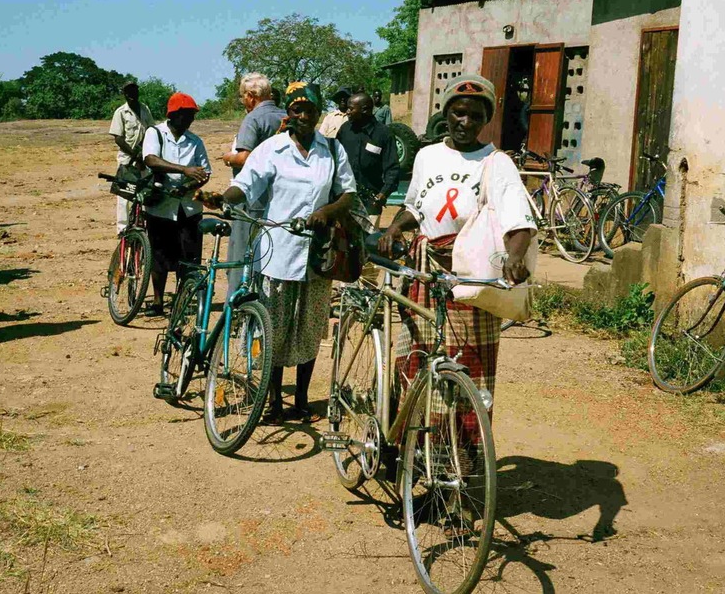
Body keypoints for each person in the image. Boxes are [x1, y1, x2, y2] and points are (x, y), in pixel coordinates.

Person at [379, 74, 535, 520]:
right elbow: (414, 206)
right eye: (457, 112)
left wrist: (515, 256)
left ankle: (459, 487)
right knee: (414, 372)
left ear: (487, 120)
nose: (465, 120)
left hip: (469, 279)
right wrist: (394, 228)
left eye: (475, 115)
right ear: (446, 114)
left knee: (467, 387)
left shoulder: (497, 163)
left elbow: (518, 217)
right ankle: (418, 467)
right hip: (423, 273)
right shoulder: (428, 155)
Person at [221, 81, 357, 423]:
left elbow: (348, 193)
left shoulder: (332, 149)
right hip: (277, 251)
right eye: (297, 110)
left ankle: (301, 401)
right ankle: (274, 404)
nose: (303, 116)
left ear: (317, 113)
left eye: (310, 110)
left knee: (309, 330)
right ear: (290, 113)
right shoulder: (273, 148)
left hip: (317, 254)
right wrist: (223, 198)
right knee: (276, 331)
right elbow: (245, 183)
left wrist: (327, 212)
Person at [142, 93, 211, 316]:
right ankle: (158, 302)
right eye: (187, 115)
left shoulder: (195, 141)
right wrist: (184, 170)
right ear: (174, 115)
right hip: (161, 206)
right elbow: (151, 160)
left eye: (191, 115)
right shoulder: (155, 133)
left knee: (188, 259)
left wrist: (187, 185)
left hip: (189, 208)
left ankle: (182, 300)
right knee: (160, 257)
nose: (190, 119)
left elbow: (205, 172)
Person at [221, 72, 286, 294]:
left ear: (251, 96)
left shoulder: (253, 118)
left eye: (242, 96)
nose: (242, 101)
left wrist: (228, 157)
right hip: (279, 198)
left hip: (252, 198)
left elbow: (245, 157)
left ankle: (236, 306)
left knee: (241, 252)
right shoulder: (286, 116)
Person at [337, 92, 400, 229]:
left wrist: (382, 195)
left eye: (351, 108)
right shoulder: (345, 130)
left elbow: (393, 168)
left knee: (368, 244)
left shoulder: (383, 134)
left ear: (365, 109)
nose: (347, 112)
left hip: (370, 203)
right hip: (343, 199)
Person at [108, 81, 154, 233]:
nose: (131, 95)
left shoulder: (145, 109)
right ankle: (123, 229)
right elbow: (119, 139)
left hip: (144, 156)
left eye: (133, 91)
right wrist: (135, 155)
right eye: (128, 92)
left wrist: (144, 153)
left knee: (146, 191)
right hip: (127, 159)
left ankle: (143, 226)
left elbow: (151, 131)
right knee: (125, 194)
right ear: (124, 94)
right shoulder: (120, 112)